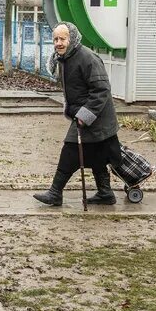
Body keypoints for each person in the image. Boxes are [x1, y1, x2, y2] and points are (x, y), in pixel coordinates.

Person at [32, 22, 122, 207]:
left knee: (69, 150)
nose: (58, 43)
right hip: (87, 116)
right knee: (98, 155)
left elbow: (102, 90)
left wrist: (84, 115)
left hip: (96, 118)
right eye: (55, 39)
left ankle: (55, 193)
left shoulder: (87, 58)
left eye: (62, 38)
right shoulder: (65, 58)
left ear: (72, 38)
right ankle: (105, 193)